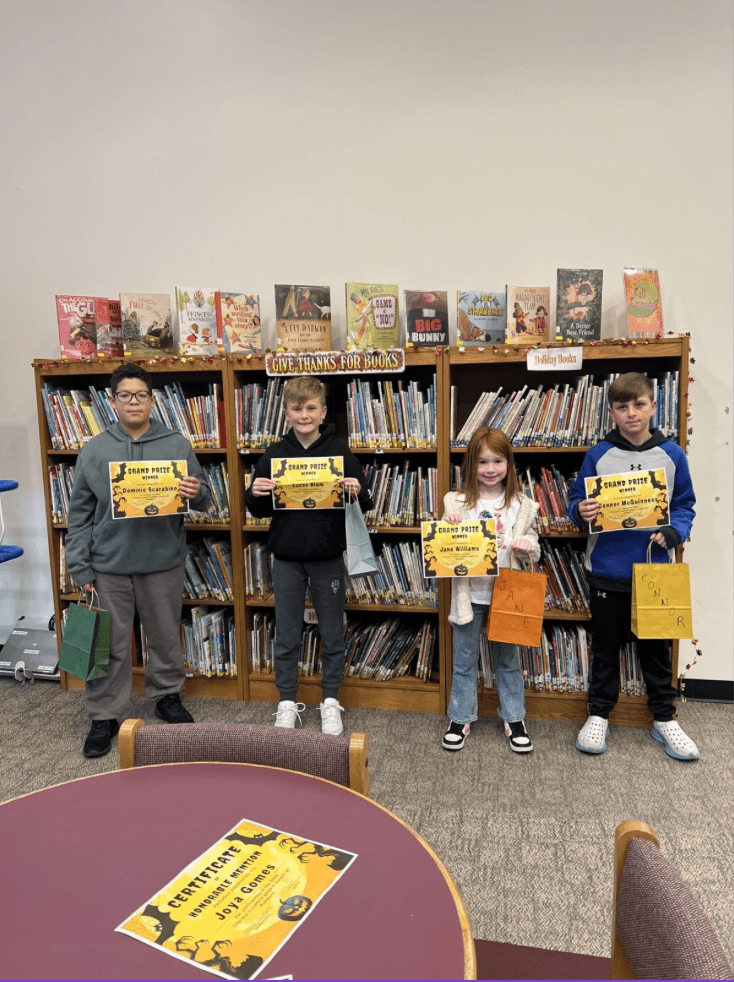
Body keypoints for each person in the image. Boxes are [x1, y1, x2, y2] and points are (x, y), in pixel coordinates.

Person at [66, 363, 210, 758]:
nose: (134, 402)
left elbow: (203, 498)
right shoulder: (95, 450)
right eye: (125, 395)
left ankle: (167, 696)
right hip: (108, 564)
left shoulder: (176, 444)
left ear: (152, 399)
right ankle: (103, 714)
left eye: (141, 395)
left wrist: (196, 491)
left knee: (164, 635)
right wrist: (80, 565)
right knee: (108, 643)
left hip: (162, 560)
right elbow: (78, 515)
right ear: (112, 401)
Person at [568, 372, 699, 760]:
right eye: (622, 407)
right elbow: (577, 502)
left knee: (656, 649)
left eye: (639, 405)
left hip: (655, 571)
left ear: (653, 407)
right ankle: (599, 715)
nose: (631, 414)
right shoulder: (599, 454)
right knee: (606, 648)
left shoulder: (673, 454)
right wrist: (581, 510)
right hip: (607, 569)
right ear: (611, 412)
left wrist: (676, 531)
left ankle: (664, 717)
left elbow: (685, 505)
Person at [245, 376, 372, 736]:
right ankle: (287, 701)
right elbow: (257, 510)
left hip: (328, 557)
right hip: (285, 558)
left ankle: (330, 700)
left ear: (323, 412)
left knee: (332, 632)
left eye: (311, 408)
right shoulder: (274, 453)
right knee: (287, 634)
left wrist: (356, 489)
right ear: (286, 413)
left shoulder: (339, 451)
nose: (304, 414)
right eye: (297, 408)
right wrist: (253, 492)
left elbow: (366, 502)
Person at [442, 427, 540, 753]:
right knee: (464, 660)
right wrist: (448, 525)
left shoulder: (522, 504)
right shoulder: (455, 500)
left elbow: (534, 548)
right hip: (469, 595)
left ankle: (514, 718)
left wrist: (528, 546)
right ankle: (460, 716)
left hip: (507, 594)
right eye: (482, 462)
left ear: (508, 464)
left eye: (498, 461)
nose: (490, 469)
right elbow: (442, 546)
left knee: (509, 661)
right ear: (471, 465)